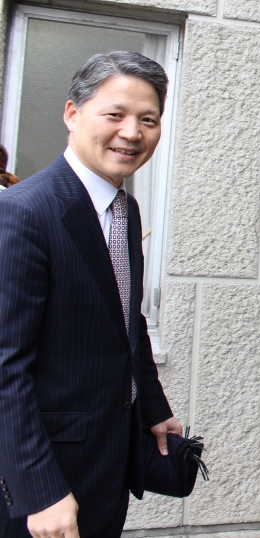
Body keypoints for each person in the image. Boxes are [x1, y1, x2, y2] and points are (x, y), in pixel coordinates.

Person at [0, 52, 181, 538]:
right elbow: (5, 365)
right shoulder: (22, 212)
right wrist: (40, 490)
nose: (132, 132)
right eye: (115, 114)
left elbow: (127, 321)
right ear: (72, 113)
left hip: (109, 459)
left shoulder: (127, 210)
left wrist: (153, 408)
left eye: (148, 120)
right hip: (47, 477)